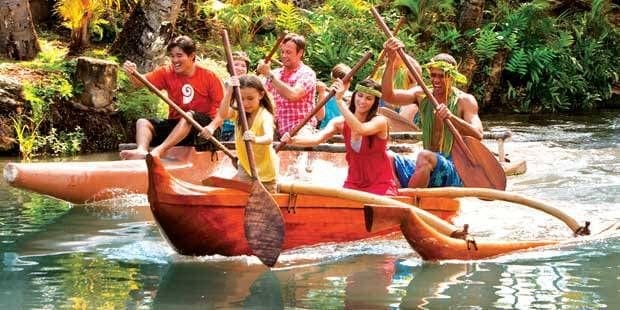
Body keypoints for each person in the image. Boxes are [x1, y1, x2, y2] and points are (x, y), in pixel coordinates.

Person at [382, 37, 483, 188]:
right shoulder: (421, 95)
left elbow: (478, 134)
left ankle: (413, 199)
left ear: (452, 77)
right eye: (433, 75)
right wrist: (391, 61)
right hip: (427, 161)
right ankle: (397, 198)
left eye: (441, 76)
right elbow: (388, 95)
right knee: (386, 157)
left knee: (424, 156)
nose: (436, 80)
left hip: (455, 167)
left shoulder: (465, 101)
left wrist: (451, 117)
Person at [281, 79, 398, 196]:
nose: (362, 101)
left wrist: (339, 101)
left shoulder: (380, 121)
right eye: (360, 95)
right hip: (353, 183)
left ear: (375, 102)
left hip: (380, 184)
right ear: (354, 96)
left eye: (369, 98)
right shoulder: (339, 123)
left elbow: (360, 129)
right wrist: (292, 140)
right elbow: (316, 139)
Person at [120, 35, 224, 159]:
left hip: (205, 131)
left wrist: (211, 127)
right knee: (143, 122)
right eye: (172, 56)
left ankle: (159, 151)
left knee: (189, 116)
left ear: (191, 56)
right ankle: (141, 150)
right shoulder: (166, 72)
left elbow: (223, 111)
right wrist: (133, 73)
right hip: (178, 127)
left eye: (179, 56)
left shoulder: (209, 76)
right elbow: (139, 83)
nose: (175, 60)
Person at [204, 75, 278, 192]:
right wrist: (229, 91)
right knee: (240, 197)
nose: (245, 103)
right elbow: (222, 114)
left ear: (261, 95)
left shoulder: (264, 115)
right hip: (245, 167)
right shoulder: (239, 112)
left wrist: (255, 139)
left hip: (266, 174)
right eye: (241, 99)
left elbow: (269, 138)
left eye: (250, 98)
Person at [256, 33, 317, 138]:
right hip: (275, 128)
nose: (284, 56)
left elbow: (293, 95)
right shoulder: (275, 74)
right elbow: (260, 96)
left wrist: (268, 75)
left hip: (300, 128)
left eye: (288, 52)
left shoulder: (307, 73)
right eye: (282, 52)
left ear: (300, 53)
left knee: (303, 140)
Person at [220, 51, 252, 141]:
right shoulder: (223, 85)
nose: (240, 68)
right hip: (223, 126)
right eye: (236, 65)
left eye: (243, 66)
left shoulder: (250, 88)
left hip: (242, 128)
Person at [316, 63, 352, 129]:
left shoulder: (352, 97)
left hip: (343, 134)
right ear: (333, 80)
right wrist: (321, 94)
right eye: (340, 82)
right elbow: (319, 117)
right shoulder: (325, 95)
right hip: (325, 132)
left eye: (347, 82)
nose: (343, 85)